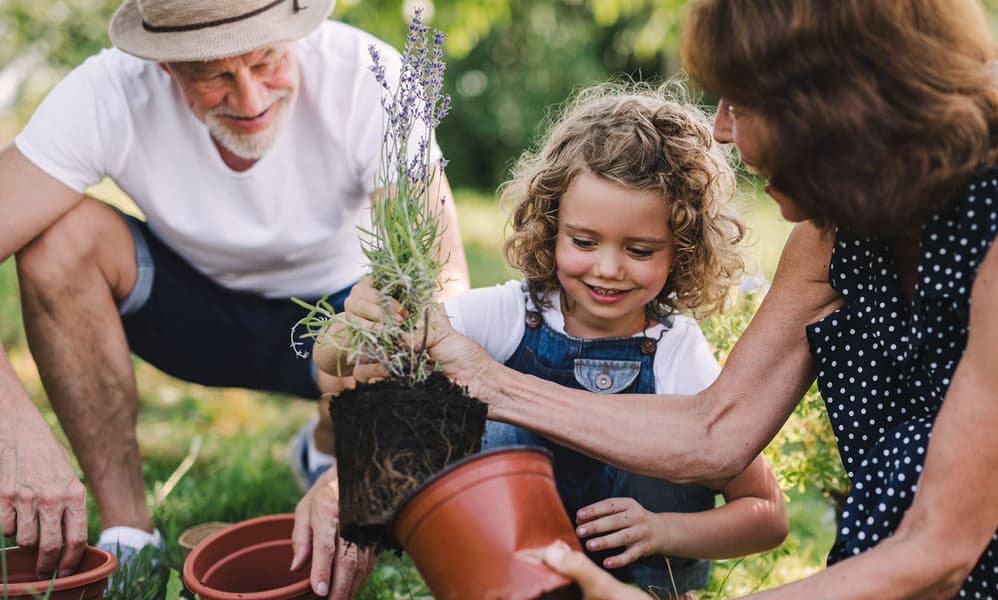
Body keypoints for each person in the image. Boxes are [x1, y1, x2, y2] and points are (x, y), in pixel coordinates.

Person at [311, 0, 998, 598]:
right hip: (955, 494)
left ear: (837, 109)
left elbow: (936, 548)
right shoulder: (847, 214)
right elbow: (714, 431)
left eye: (741, 100)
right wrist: (381, 448)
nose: (723, 130)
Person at [0, 0, 469, 581]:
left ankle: (328, 446)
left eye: (267, 60)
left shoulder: (366, 74)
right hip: (193, 316)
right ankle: (130, 537)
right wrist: (11, 423)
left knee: (394, 314)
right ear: (166, 65)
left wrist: (366, 464)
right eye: (214, 75)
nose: (250, 101)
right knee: (57, 240)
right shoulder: (108, 91)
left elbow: (443, 286)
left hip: (336, 322)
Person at [297, 86, 789, 598]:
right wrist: (355, 323)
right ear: (551, 227)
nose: (608, 268)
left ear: (682, 249)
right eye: (583, 241)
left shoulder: (675, 351)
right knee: (493, 434)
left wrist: (665, 530)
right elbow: (335, 360)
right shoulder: (513, 314)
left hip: (640, 583)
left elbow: (766, 514)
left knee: (673, 454)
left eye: (640, 249)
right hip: (514, 572)